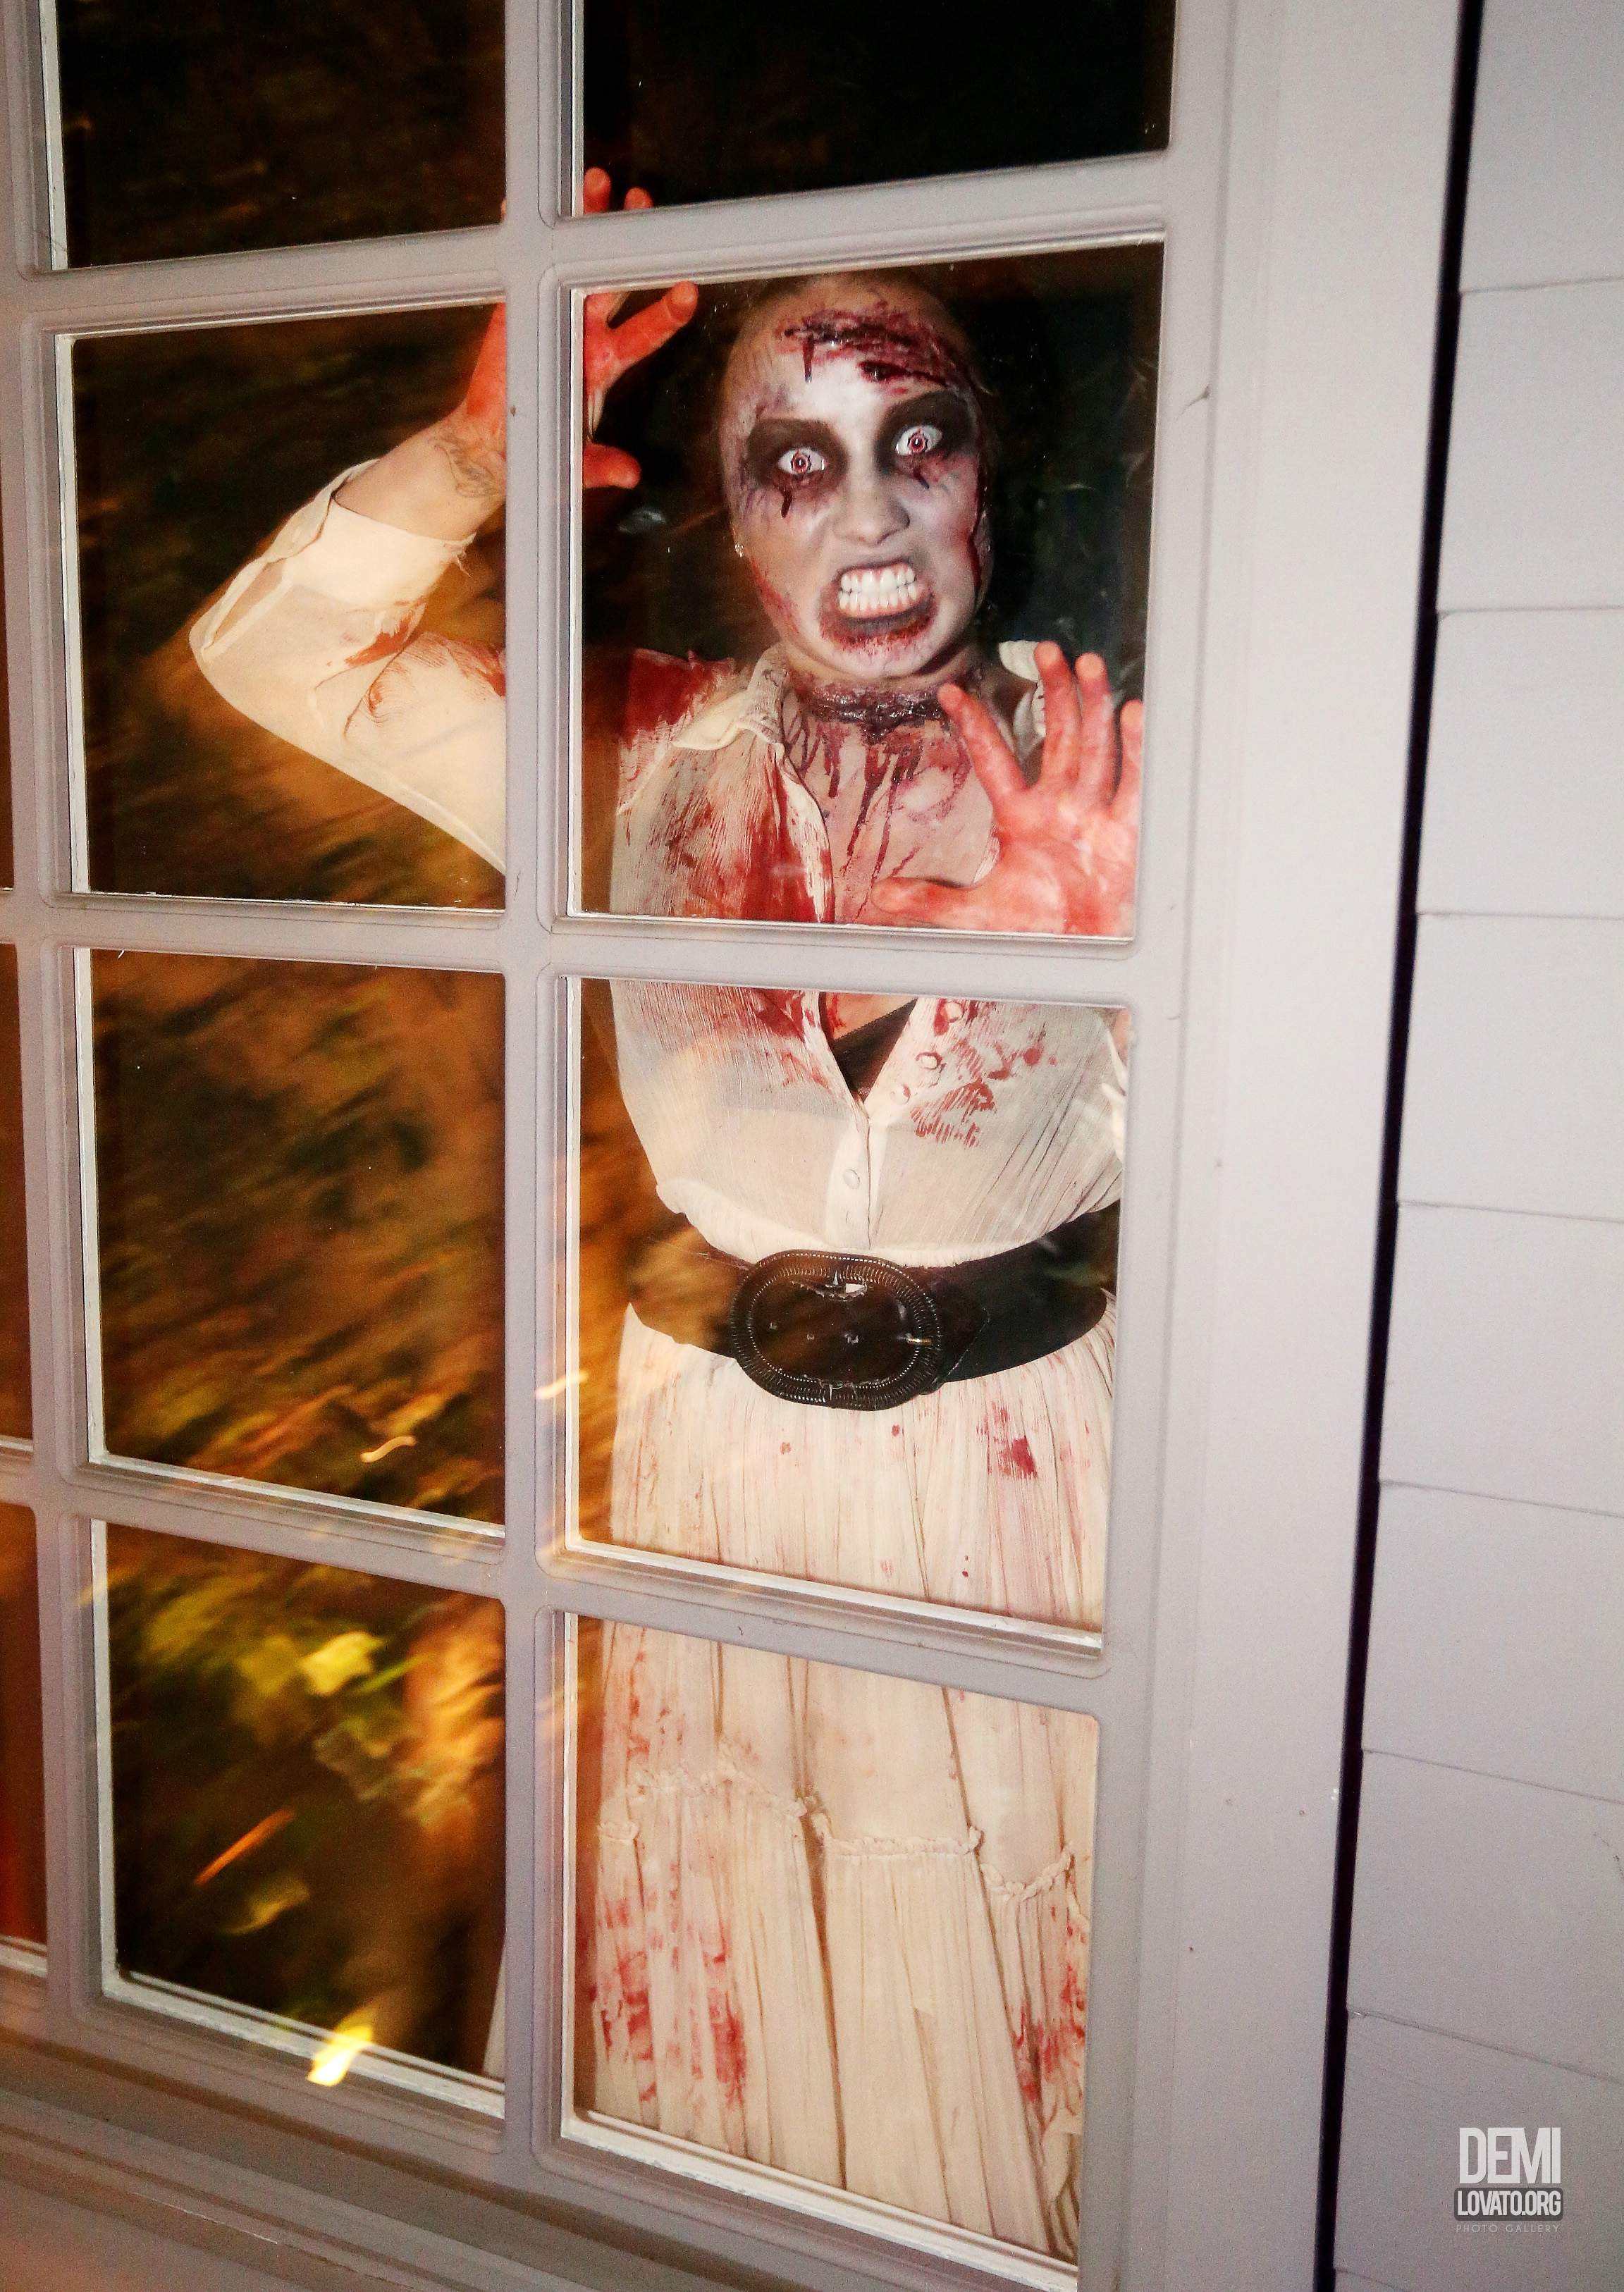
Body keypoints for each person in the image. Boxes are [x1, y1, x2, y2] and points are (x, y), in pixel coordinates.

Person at [189, 170, 1141, 2260]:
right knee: (738, 2040)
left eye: (918, 443)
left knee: (1015, 2051)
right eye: (797, 462)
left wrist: (1102, 947)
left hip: (1032, 1517)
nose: (868, 513)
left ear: (988, 484)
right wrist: (476, 455)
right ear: (730, 512)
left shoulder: (1129, 771)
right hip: (719, 1497)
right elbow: (274, 654)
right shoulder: (627, 754)